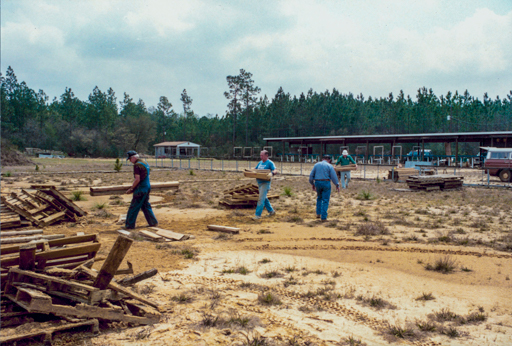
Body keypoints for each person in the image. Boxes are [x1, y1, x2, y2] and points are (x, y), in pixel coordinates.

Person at [124, 151, 158, 229]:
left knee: (134, 207)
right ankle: (153, 222)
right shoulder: (144, 163)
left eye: (129, 159)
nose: (129, 161)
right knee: (145, 205)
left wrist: (131, 188)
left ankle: (129, 225)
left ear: (133, 157)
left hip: (141, 188)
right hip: (147, 187)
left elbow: (137, 179)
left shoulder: (137, 165)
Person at [309, 154, 340, 221]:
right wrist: (337, 184)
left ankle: (318, 213)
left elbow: (311, 175)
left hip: (317, 182)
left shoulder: (316, 165)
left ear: (322, 159)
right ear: (329, 160)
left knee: (319, 198)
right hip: (326, 182)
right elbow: (334, 177)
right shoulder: (329, 166)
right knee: (325, 200)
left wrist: (312, 183)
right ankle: (323, 217)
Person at [253, 150, 278, 220]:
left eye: (262, 155)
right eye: (260, 155)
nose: (261, 157)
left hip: (265, 183)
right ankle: (271, 211)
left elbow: (275, 170)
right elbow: (256, 169)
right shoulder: (260, 163)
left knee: (261, 199)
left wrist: (272, 174)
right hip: (259, 183)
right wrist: (250, 170)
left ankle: (257, 215)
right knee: (264, 198)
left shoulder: (270, 163)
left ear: (266, 155)